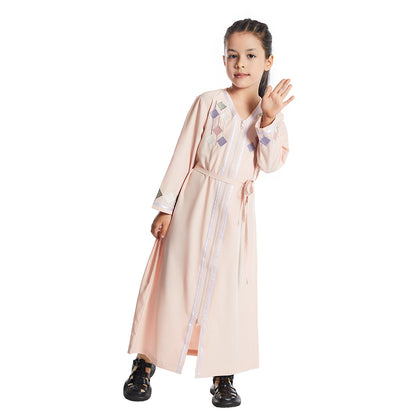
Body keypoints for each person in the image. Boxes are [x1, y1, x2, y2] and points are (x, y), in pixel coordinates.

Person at [123, 18, 294, 408]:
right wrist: (166, 207)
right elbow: (183, 153)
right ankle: (144, 362)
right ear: (224, 59)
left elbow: (270, 164)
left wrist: (269, 118)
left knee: (226, 292)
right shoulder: (208, 102)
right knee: (172, 282)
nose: (241, 64)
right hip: (194, 205)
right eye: (233, 55)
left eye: (250, 55)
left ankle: (223, 374)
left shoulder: (270, 114)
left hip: (235, 216)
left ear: (268, 61)